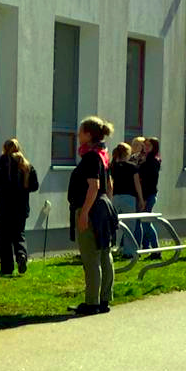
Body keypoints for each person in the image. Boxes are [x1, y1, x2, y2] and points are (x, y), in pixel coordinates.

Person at [68, 116, 115, 316]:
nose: (78, 135)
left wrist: (84, 213)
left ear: (88, 134)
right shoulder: (103, 154)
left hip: (92, 208)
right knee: (104, 253)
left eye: (80, 132)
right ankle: (104, 299)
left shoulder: (90, 157)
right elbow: (109, 184)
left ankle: (91, 302)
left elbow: (93, 186)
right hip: (103, 207)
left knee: (91, 256)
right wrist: (107, 205)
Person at [0, 138, 38, 276]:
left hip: (4, 207)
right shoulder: (27, 166)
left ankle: (7, 267)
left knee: (4, 239)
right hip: (21, 207)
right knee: (19, 235)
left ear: (4, 149)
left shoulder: (1, 165)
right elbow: (34, 186)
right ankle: (21, 255)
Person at [109, 142, 144, 259]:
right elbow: (137, 184)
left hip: (115, 197)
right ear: (127, 153)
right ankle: (128, 251)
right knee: (130, 225)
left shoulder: (113, 166)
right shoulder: (132, 167)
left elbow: (110, 184)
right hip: (129, 197)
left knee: (115, 224)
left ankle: (114, 247)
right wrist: (141, 199)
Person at [138, 137, 162, 253]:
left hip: (149, 195)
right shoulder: (145, 159)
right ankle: (146, 246)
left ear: (154, 147)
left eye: (149, 145)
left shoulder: (153, 161)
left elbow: (151, 182)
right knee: (144, 222)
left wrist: (144, 199)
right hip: (146, 194)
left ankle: (156, 250)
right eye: (145, 145)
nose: (146, 147)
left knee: (146, 223)